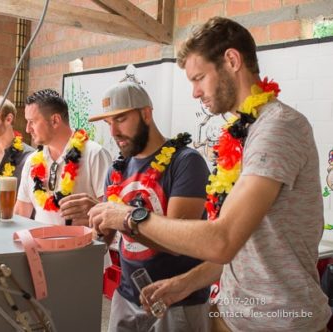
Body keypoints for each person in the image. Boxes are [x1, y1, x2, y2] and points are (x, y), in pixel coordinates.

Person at [89, 16, 331, 331]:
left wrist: (129, 217)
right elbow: (242, 247)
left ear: (232, 60)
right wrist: (185, 283)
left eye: (198, 77)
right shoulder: (244, 133)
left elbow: (223, 240)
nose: (194, 92)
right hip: (229, 315)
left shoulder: (279, 127)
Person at [87, 77, 210, 331]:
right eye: (109, 123)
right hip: (125, 296)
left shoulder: (186, 162)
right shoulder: (116, 170)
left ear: (146, 114)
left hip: (177, 302)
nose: (113, 132)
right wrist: (94, 222)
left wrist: (123, 217)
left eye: (120, 119)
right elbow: (108, 238)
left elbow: (178, 242)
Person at [14, 89, 111, 226]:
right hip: (41, 246)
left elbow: (110, 214)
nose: (27, 129)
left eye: (32, 122)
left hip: (82, 246)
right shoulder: (32, 161)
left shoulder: (94, 154)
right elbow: (21, 212)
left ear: (55, 120)